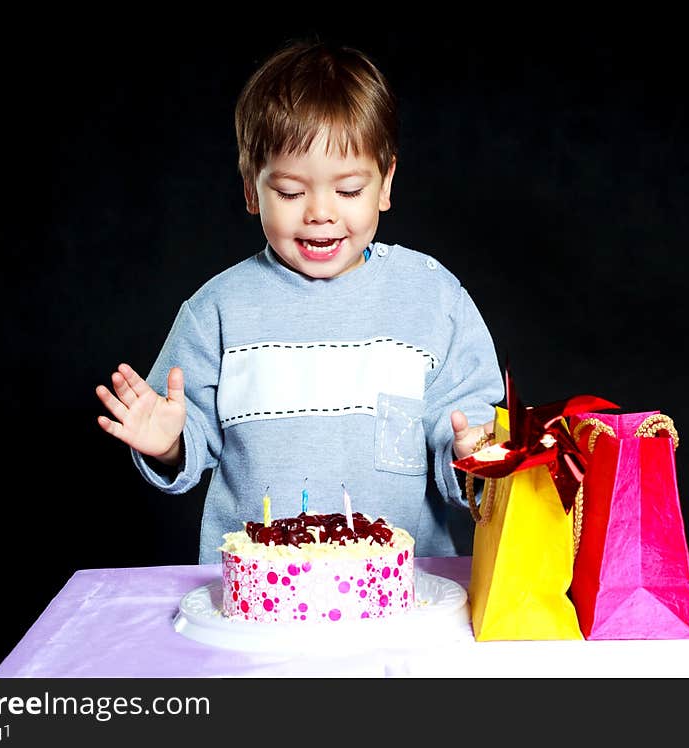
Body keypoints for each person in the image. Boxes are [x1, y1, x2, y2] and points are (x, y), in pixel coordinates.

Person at [95, 39, 503, 564]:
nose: (320, 213)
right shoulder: (217, 311)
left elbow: (468, 434)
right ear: (251, 190)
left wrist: (478, 454)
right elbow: (186, 435)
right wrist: (170, 442)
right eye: (289, 192)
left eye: (349, 189)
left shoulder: (432, 298)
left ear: (386, 184)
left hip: (403, 597)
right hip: (260, 603)